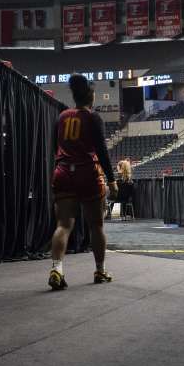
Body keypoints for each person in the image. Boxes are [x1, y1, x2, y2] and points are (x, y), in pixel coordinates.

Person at [48, 74, 117, 290]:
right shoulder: (93, 117)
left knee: (63, 225)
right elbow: (102, 152)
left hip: (63, 172)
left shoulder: (61, 117)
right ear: (90, 95)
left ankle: (57, 269)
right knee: (96, 225)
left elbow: (54, 147)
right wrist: (112, 180)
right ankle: (100, 270)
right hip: (87, 173)